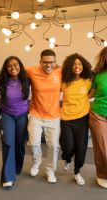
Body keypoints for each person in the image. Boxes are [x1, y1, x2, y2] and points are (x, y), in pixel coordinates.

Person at [25, 49, 61, 183]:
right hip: (36, 115)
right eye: (45, 62)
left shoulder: (60, 72)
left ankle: (50, 171)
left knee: (53, 145)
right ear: (40, 62)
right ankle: (36, 161)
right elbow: (12, 67)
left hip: (54, 117)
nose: (48, 65)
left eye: (51, 62)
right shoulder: (32, 70)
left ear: (56, 62)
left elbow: (79, 70)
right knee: (33, 144)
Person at [0, 56, 30, 188]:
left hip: (22, 115)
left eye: (15, 65)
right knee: (8, 143)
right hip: (6, 115)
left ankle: (16, 167)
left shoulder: (26, 79)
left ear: (20, 66)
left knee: (20, 144)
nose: (13, 68)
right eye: (10, 66)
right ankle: (8, 177)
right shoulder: (2, 80)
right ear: (6, 68)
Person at [60, 53, 93, 186]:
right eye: (74, 64)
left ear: (83, 66)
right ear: (70, 66)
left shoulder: (87, 80)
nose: (77, 66)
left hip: (82, 118)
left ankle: (77, 172)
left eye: (79, 64)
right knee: (67, 146)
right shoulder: (64, 81)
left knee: (81, 148)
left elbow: (91, 93)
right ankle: (67, 158)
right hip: (66, 118)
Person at [89, 47, 107, 189]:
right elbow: (90, 94)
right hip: (98, 114)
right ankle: (102, 175)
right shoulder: (98, 74)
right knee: (102, 149)